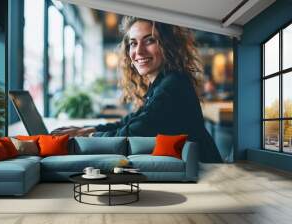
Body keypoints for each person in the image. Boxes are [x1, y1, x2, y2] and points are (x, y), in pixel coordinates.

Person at [52, 16, 222, 162]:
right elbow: (131, 121)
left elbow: (133, 132)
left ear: (168, 45)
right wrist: (89, 129)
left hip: (204, 171)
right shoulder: (162, 82)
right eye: (133, 43)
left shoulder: (172, 86)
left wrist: (87, 136)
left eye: (150, 40)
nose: (139, 51)